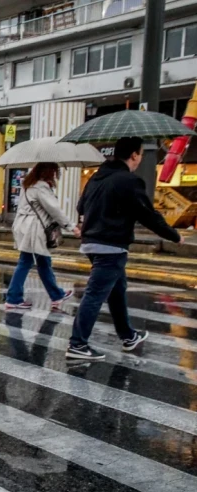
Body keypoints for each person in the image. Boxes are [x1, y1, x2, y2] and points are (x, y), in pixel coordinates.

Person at [67, 137, 184, 360]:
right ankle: (77, 345)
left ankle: (128, 336)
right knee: (95, 294)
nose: (140, 158)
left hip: (92, 242)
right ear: (134, 155)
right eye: (140, 154)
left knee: (117, 290)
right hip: (111, 245)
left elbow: (80, 206)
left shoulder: (96, 178)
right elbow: (148, 215)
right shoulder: (128, 181)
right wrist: (173, 235)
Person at [5, 163, 76, 310]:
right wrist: (71, 226)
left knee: (43, 262)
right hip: (34, 229)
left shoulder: (28, 185)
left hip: (25, 226)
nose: (56, 175)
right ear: (49, 172)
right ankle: (13, 298)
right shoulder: (41, 187)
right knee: (26, 262)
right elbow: (54, 210)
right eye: (55, 172)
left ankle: (56, 295)